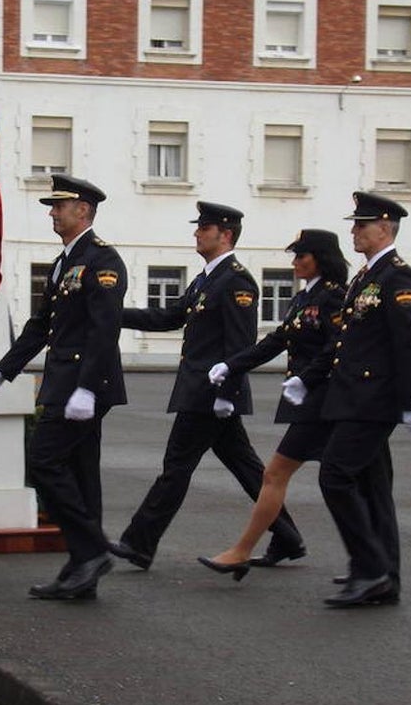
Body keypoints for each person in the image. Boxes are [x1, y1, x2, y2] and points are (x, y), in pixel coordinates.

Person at [109, 201, 305, 570]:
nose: (197, 233)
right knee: (247, 468)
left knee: (176, 468)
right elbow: (168, 316)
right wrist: (113, 314)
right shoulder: (206, 280)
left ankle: (139, 543)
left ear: (225, 234)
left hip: (210, 395)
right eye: (198, 227)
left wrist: (226, 394)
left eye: (205, 227)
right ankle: (288, 536)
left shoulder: (236, 281)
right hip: (203, 393)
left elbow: (240, 344)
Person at [0, 173, 127, 600]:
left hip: (82, 385)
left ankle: (91, 551)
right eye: (52, 206)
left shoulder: (103, 260)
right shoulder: (65, 261)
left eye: (59, 206)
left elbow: (103, 331)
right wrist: (4, 369)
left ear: (83, 210)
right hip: (66, 382)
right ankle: (84, 567)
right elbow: (41, 325)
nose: (52, 212)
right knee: (81, 476)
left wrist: (87, 388)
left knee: (43, 461)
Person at [282, 191, 411, 608]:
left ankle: (370, 567)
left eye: (361, 226)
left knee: (335, 477)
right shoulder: (365, 278)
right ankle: (383, 575)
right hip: (352, 396)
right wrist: (309, 379)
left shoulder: (399, 278)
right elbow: (344, 339)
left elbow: (407, 343)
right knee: (373, 488)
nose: (354, 232)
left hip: (373, 400)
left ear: (384, 228)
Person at [197, 229, 349, 580]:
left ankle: (242, 551)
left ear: (320, 258)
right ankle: (286, 543)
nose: (295, 262)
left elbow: (337, 346)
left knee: (276, 474)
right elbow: (276, 341)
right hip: (310, 401)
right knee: (347, 480)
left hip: (323, 402)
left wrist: (306, 378)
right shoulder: (303, 298)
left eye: (302, 256)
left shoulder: (332, 297)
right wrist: (231, 365)